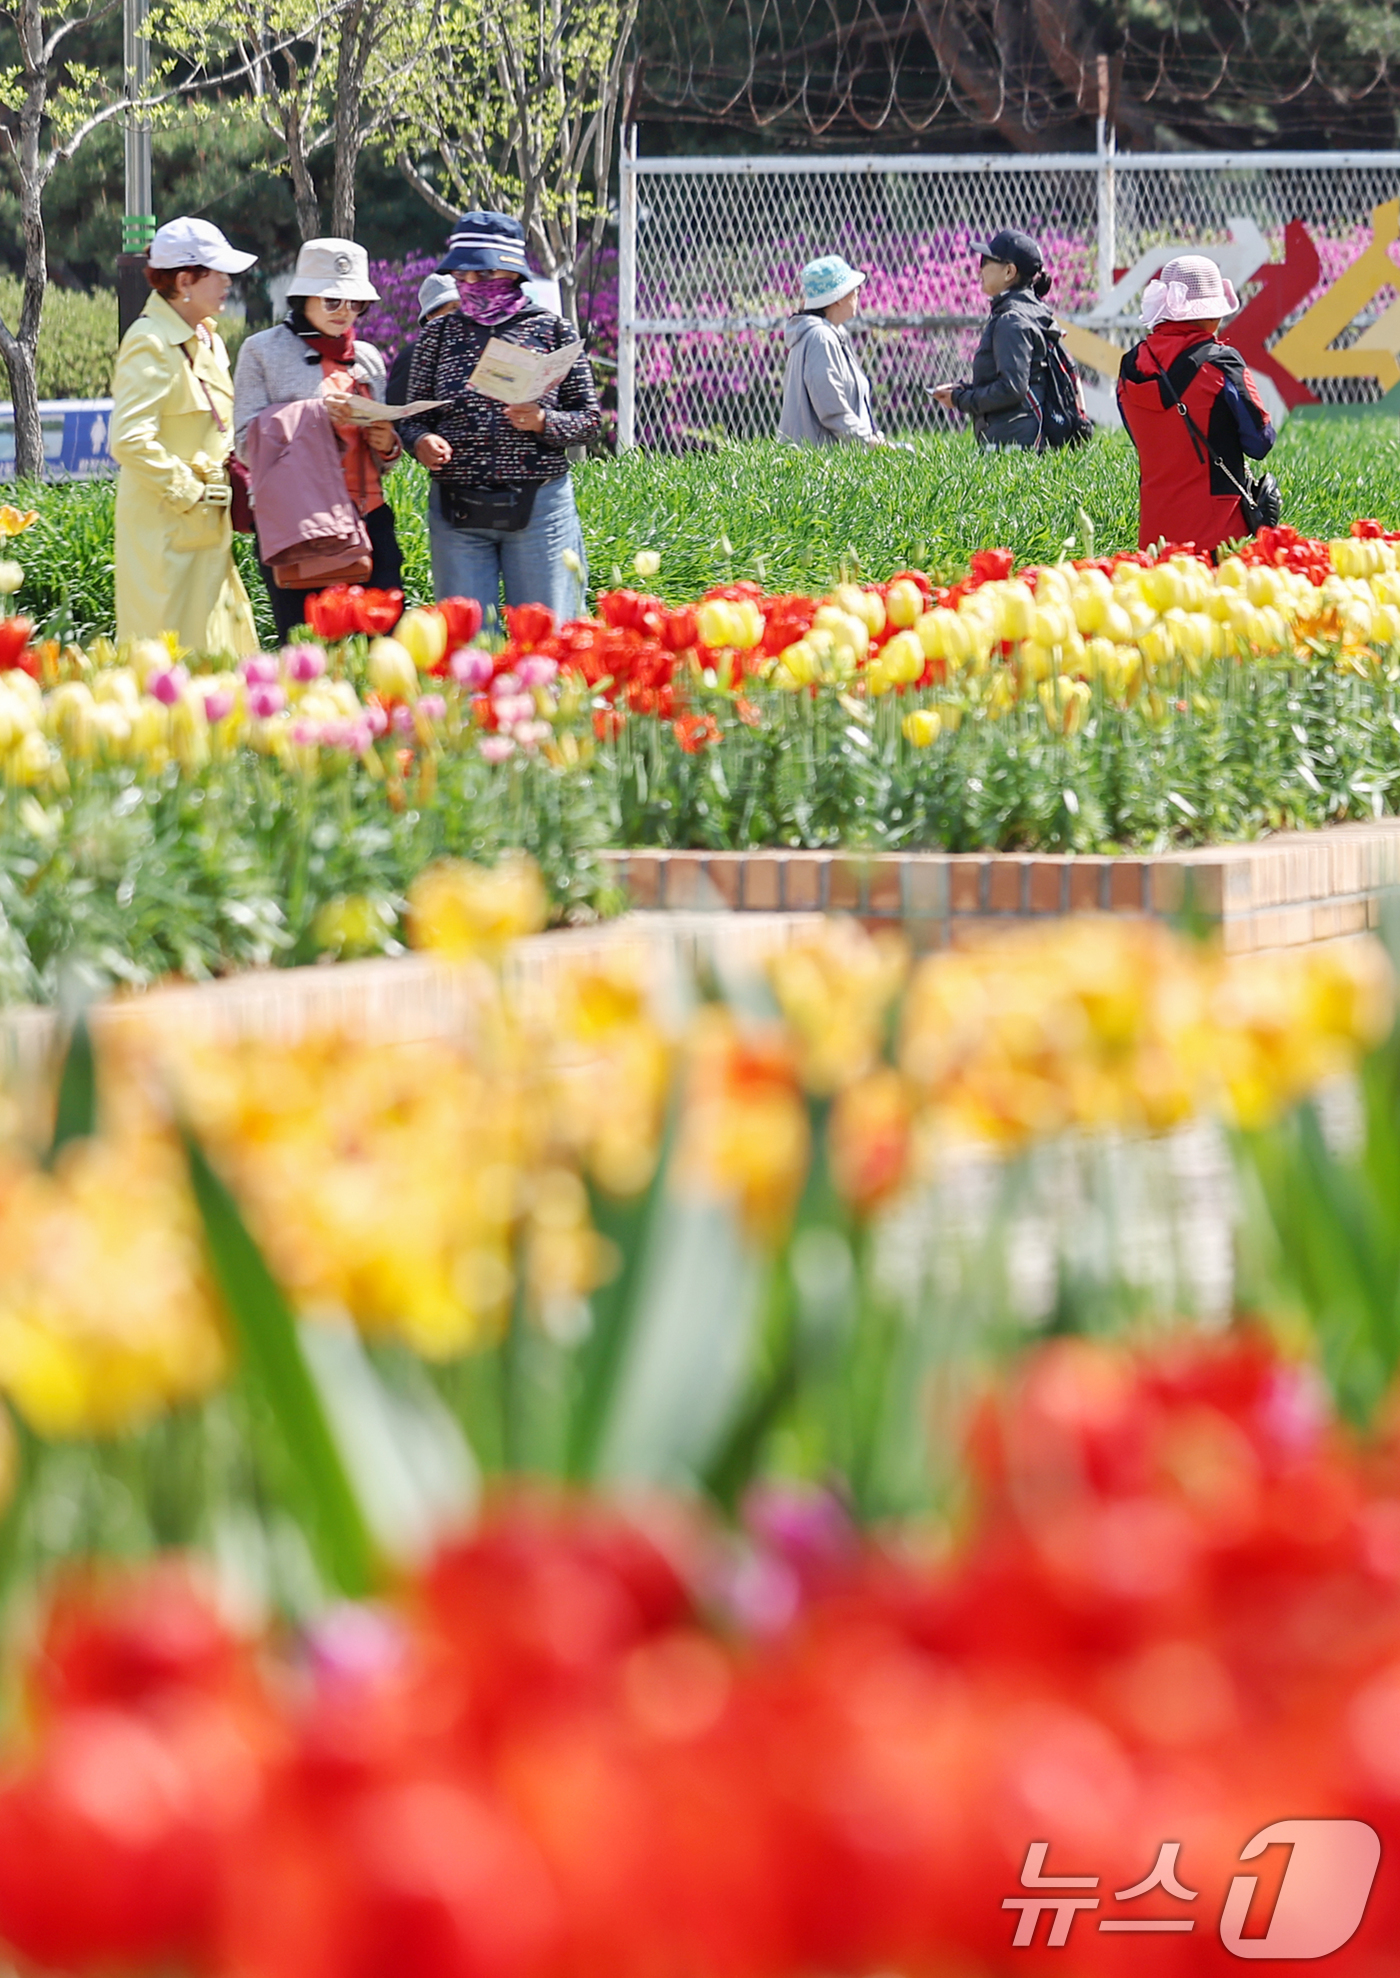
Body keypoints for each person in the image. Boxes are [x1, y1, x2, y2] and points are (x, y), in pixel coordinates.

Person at [400, 211, 598, 626]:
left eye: (484, 273)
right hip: (457, 511)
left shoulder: (552, 330)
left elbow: (589, 420)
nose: (471, 283)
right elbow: (412, 416)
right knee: (467, 640)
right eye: (462, 274)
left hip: (539, 508)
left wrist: (543, 421)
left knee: (545, 636)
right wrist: (420, 442)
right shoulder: (438, 335)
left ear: (513, 273)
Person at [233, 238, 403, 642]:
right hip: (299, 527)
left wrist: (387, 444)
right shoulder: (261, 351)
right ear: (303, 298)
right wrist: (317, 416)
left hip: (370, 519)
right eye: (332, 301)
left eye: (355, 303)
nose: (345, 311)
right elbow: (245, 444)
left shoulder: (368, 358)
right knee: (307, 652)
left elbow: (384, 462)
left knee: (385, 652)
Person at [110, 216, 259, 656]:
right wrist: (190, 491)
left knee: (221, 651)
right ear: (184, 281)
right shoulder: (150, 340)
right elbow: (129, 439)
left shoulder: (208, 337)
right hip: (165, 532)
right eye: (218, 272)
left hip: (208, 527)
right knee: (169, 659)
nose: (227, 281)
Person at [1116, 254, 1276, 554]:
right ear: (1213, 314)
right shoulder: (1222, 363)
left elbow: (1142, 437)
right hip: (1219, 537)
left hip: (1154, 540)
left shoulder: (1130, 366)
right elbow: (1260, 442)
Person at [930, 229, 1055, 449]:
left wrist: (960, 400)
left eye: (986, 261)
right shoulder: (1032, 311)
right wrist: (964, 391)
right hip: (1027, 441)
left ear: (1009, 272)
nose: (980, 269)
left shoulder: (1012, 320)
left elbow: (1011, 388)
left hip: (1016, 446)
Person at [778, 256, 885, 447]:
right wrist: (870, 443)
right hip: (819, 462)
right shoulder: (821, 338)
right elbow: (832, 410)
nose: (858, 292)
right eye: (853, 288)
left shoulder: (833, 333)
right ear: (838, 298)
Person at [385, 272, 459, 406]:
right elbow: (398, 407)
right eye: (453, 308)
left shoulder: (473, 348)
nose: (462, 314)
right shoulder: (414, 354)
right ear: (431, 315)